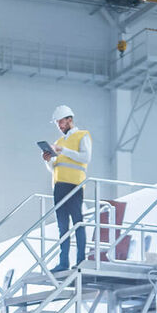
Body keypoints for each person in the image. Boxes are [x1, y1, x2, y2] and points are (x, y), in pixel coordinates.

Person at [43, 104, 92, 272]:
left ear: (69, 119)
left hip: (74, 185)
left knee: (77, 222)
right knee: (62, 226)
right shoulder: (58, 142)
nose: (59, 126)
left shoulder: (82, 135)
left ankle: (81, 260)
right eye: (57, 123)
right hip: (59, 186)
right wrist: (48, 159)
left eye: (60, 122)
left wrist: (62, 150)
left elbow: (85, 157)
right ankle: (63, 262)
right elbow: (55, 167)